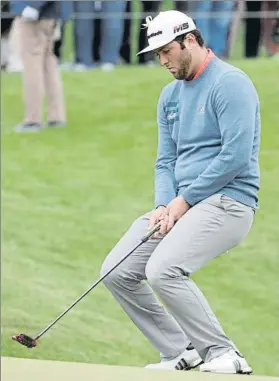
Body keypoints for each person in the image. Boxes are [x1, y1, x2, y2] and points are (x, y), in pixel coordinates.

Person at [101, 10, 260, 374]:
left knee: (164, 268)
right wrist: (163, 204)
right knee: (117, 269)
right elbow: (165, 160)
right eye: (156, 54)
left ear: (190, 40)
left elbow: (235, 157)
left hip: (229, 201)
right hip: (181, 204)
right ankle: (179, 350)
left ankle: (224, 353)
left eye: (166, 51)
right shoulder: (169, 95)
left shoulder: (230, 83)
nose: (163, 61)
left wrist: (183, 201)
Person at [10, 1, 66, 132]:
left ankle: (32, 120)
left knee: (32, 64)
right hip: (46, 13)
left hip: (35, 13)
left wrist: (34, 6)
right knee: (48, 63)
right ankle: (56, 116)